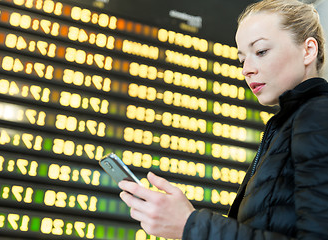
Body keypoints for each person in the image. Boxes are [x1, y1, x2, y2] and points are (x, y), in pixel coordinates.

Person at [118, 0, 328, 239]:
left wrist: (190, 225)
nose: (246, 69)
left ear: (308, 50)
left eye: (261, 51)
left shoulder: (317, 115)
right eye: (242, 59)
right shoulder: (286, 127)